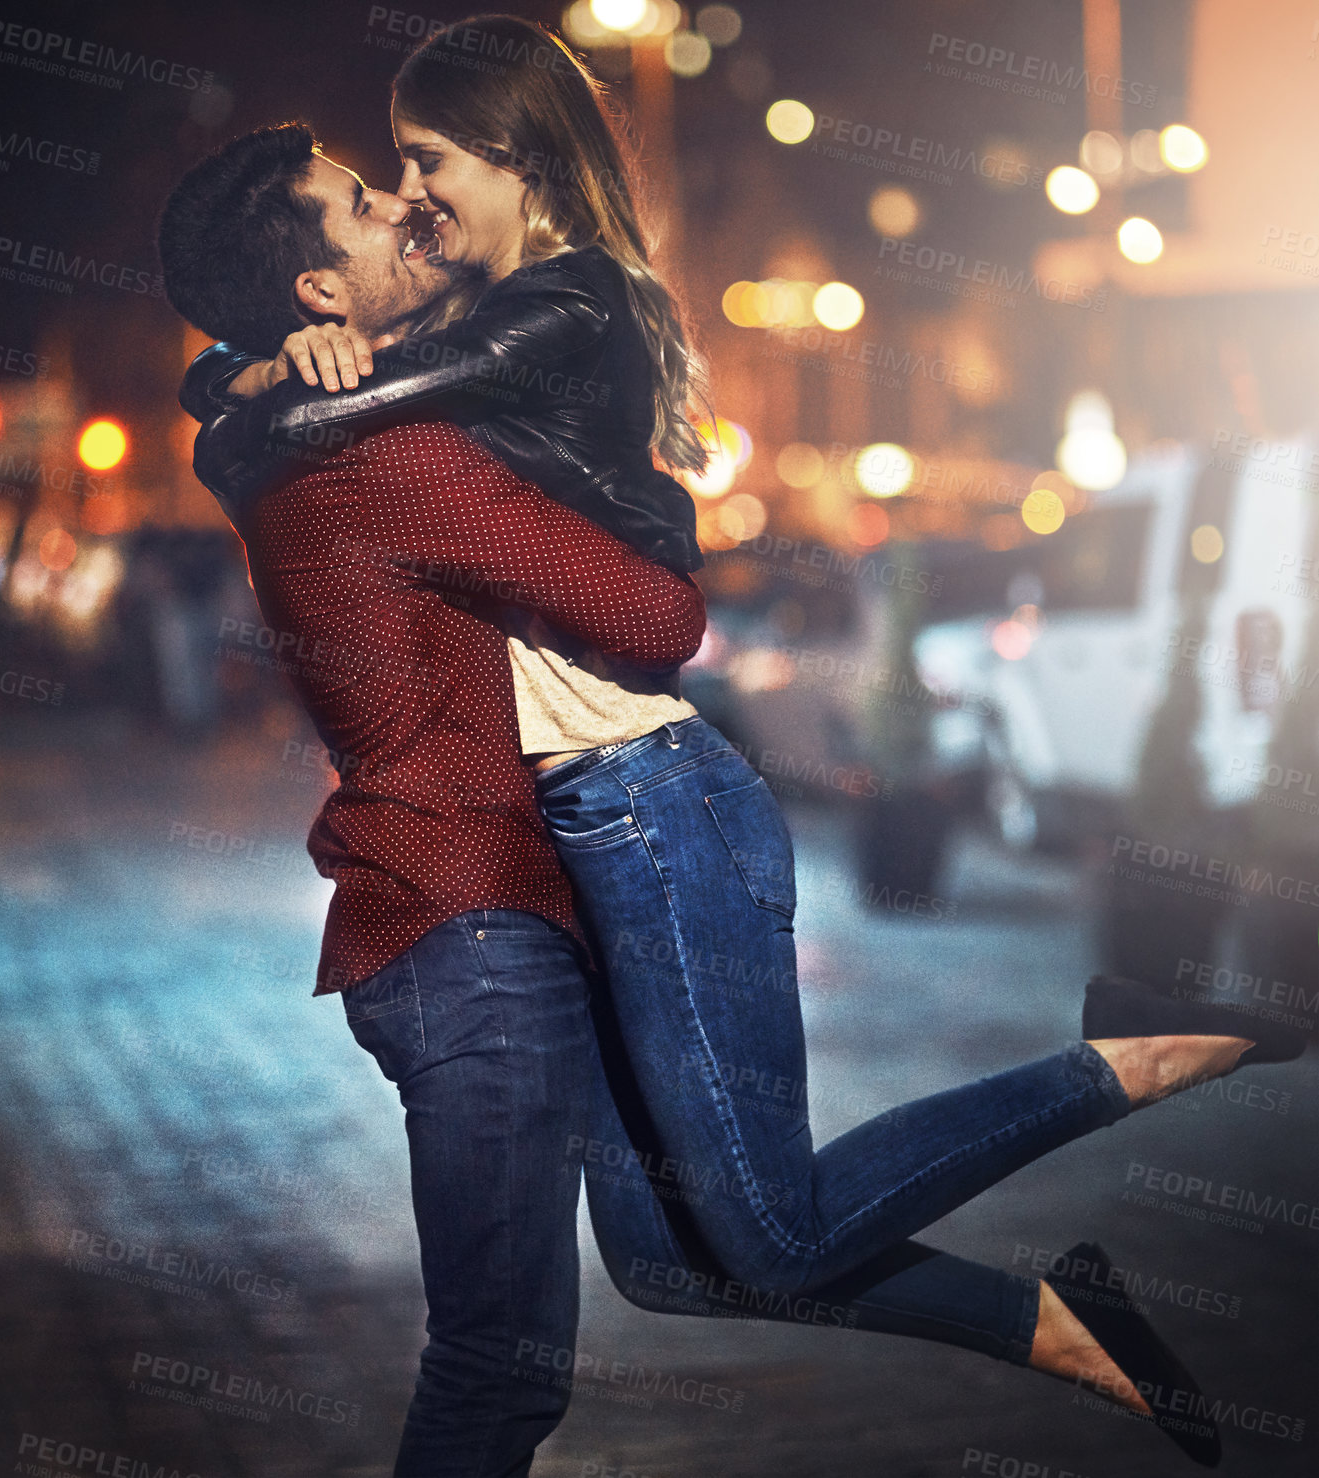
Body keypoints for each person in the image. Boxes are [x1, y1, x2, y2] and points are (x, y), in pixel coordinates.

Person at [164, 20, 1306, 1471]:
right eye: (380, 184)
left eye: (425, 163)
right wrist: (250, 381)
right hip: (591, 826)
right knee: (672, 1260)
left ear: (515, 166)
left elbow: (659, 613)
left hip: (652, 799)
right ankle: (1047, 1320)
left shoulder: (527, 324)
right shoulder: (390, 387)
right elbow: (282, 422)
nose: (408, 198)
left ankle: (1119, 1059)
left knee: (761, 1229)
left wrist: (282, 387)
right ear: (318, 284)